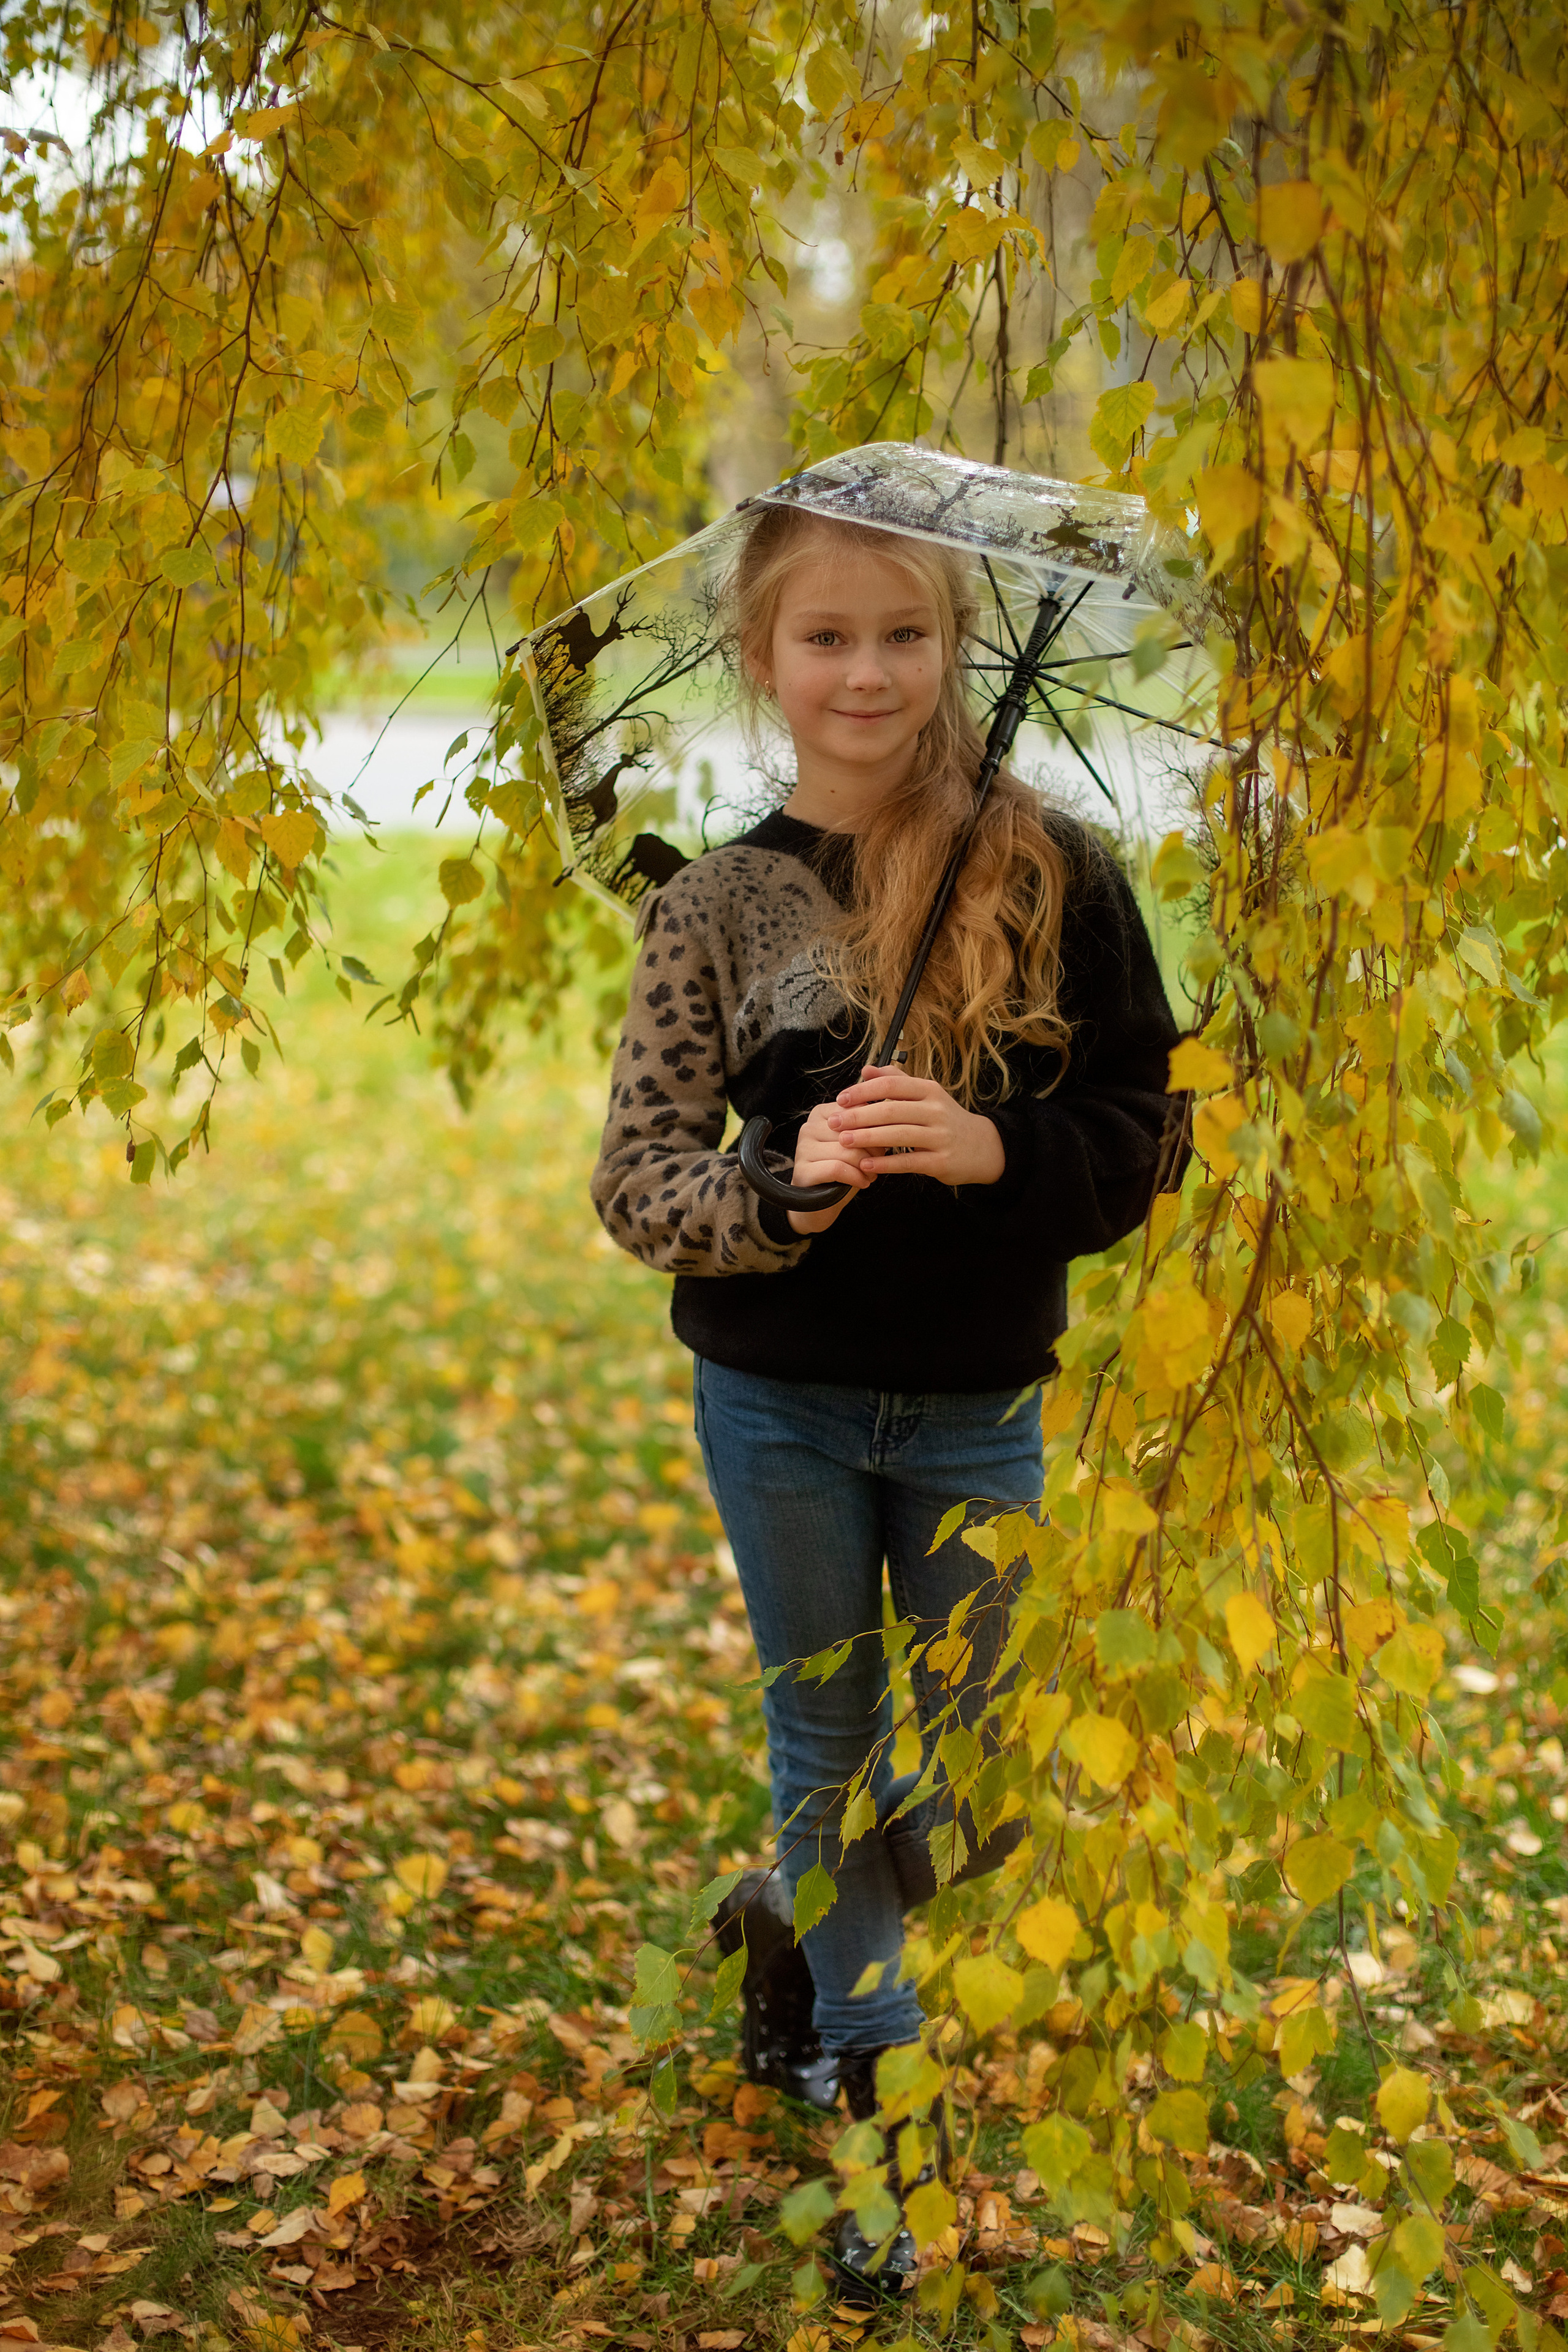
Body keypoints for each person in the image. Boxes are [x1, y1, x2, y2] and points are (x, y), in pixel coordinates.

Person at [590, 500, 1188, 2297]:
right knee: (830, 1762)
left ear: (954, 648)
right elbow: (639, 1184)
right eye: (827, 638)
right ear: (764, 663)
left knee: (986, 1778)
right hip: (777, 1407)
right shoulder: (716, 903)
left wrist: (993, 1143)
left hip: (971, 1409)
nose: (868, 672)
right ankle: (883, 2118)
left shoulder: (1054, 872)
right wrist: (778, 1197)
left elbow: (1147, 1131)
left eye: (905, 636)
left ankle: (794, 1914)